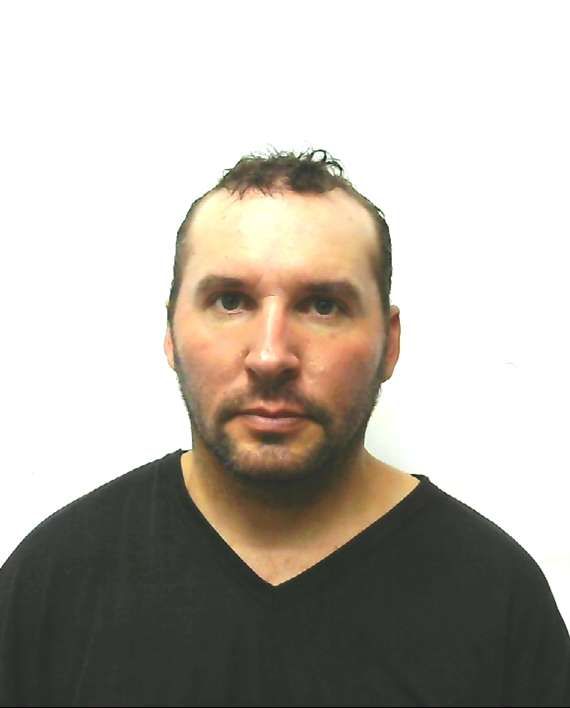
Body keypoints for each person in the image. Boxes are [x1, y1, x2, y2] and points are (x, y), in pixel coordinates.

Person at [0, 149, 568, 708]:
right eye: (230, 301)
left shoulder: (498, 599)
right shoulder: (51, 583)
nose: (271, 356)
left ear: (389, 344)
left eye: (322, 305)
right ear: (171, 332)